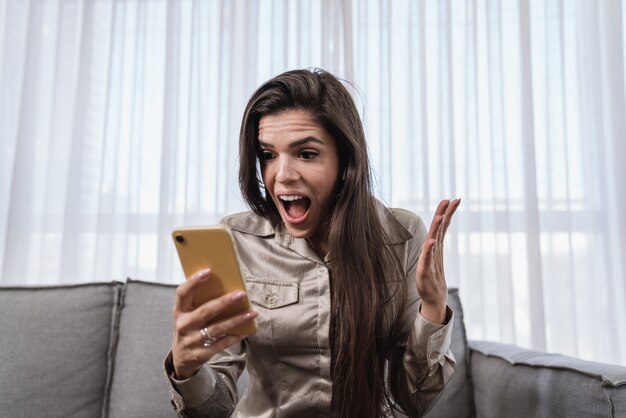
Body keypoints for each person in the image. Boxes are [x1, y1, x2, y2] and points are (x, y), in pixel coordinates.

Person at [164, 68, 461, 418]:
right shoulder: (237, 239)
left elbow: (414, 401)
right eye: (268, 155)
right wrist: (188, 370)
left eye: (306, 154)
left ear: (345, 161)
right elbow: (214, 411)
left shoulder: (401, 235)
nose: (282, 175)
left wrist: (433, 308)